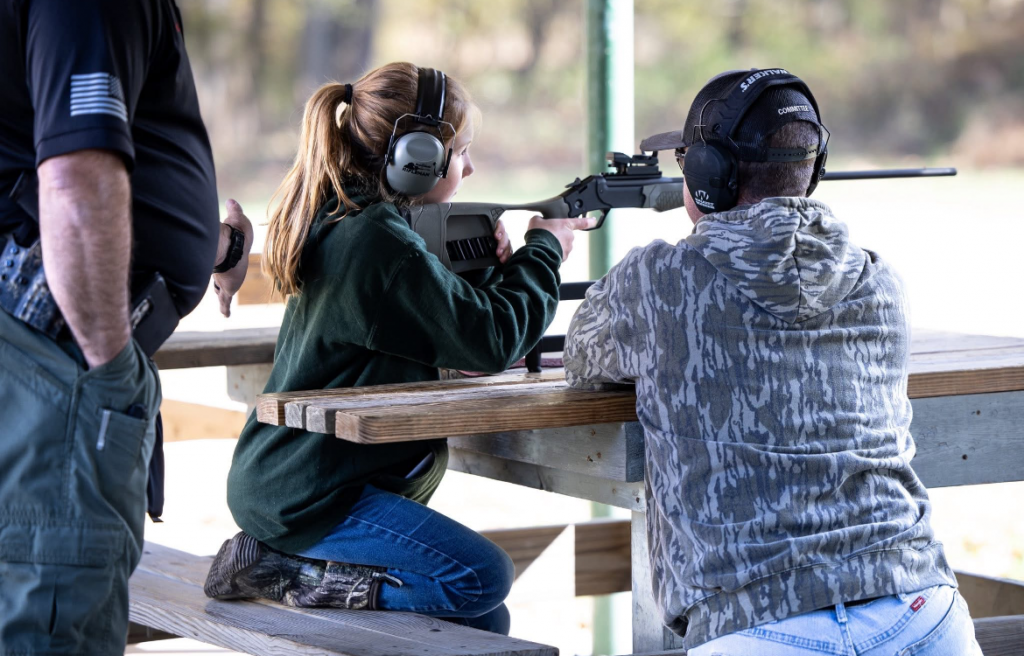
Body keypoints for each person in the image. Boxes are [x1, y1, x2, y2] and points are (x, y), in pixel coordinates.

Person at [564, 68, 983, 655]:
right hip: (920, 608)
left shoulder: (656, 282)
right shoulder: (880, 281)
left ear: (707, 176)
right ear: (814, 170)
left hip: (754, 626)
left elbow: (582, 357)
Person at [205, 62, 592, 635]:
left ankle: (290, 567)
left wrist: (490, 270)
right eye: (460, 152)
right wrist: (545, 253)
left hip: (301, 480)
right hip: (312, 496)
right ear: (418, 159)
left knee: (484, 620)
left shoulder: (355, 219)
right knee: (481, 577)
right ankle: (285, 574)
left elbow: (449, 335)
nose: (470, 166)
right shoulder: (378, 244)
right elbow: (491, 343)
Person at [0, 1, 252, 653]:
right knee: (49, 623)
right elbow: (77, 186)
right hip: (55, 363)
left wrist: (214, 246)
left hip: (37, 355)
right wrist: (110, 371)